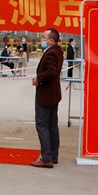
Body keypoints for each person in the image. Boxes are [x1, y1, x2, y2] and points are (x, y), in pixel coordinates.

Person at [31, 28, 64, 168]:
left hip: (46, 95)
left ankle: (46, 158)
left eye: (44, 37)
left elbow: (51, 71)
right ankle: (53, 155)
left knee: (42, 125)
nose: (42, 40)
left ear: (51, 40)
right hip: (53, 94)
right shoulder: (57, 51)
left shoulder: (51, 53)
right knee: (52, 125)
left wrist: (38, 78)